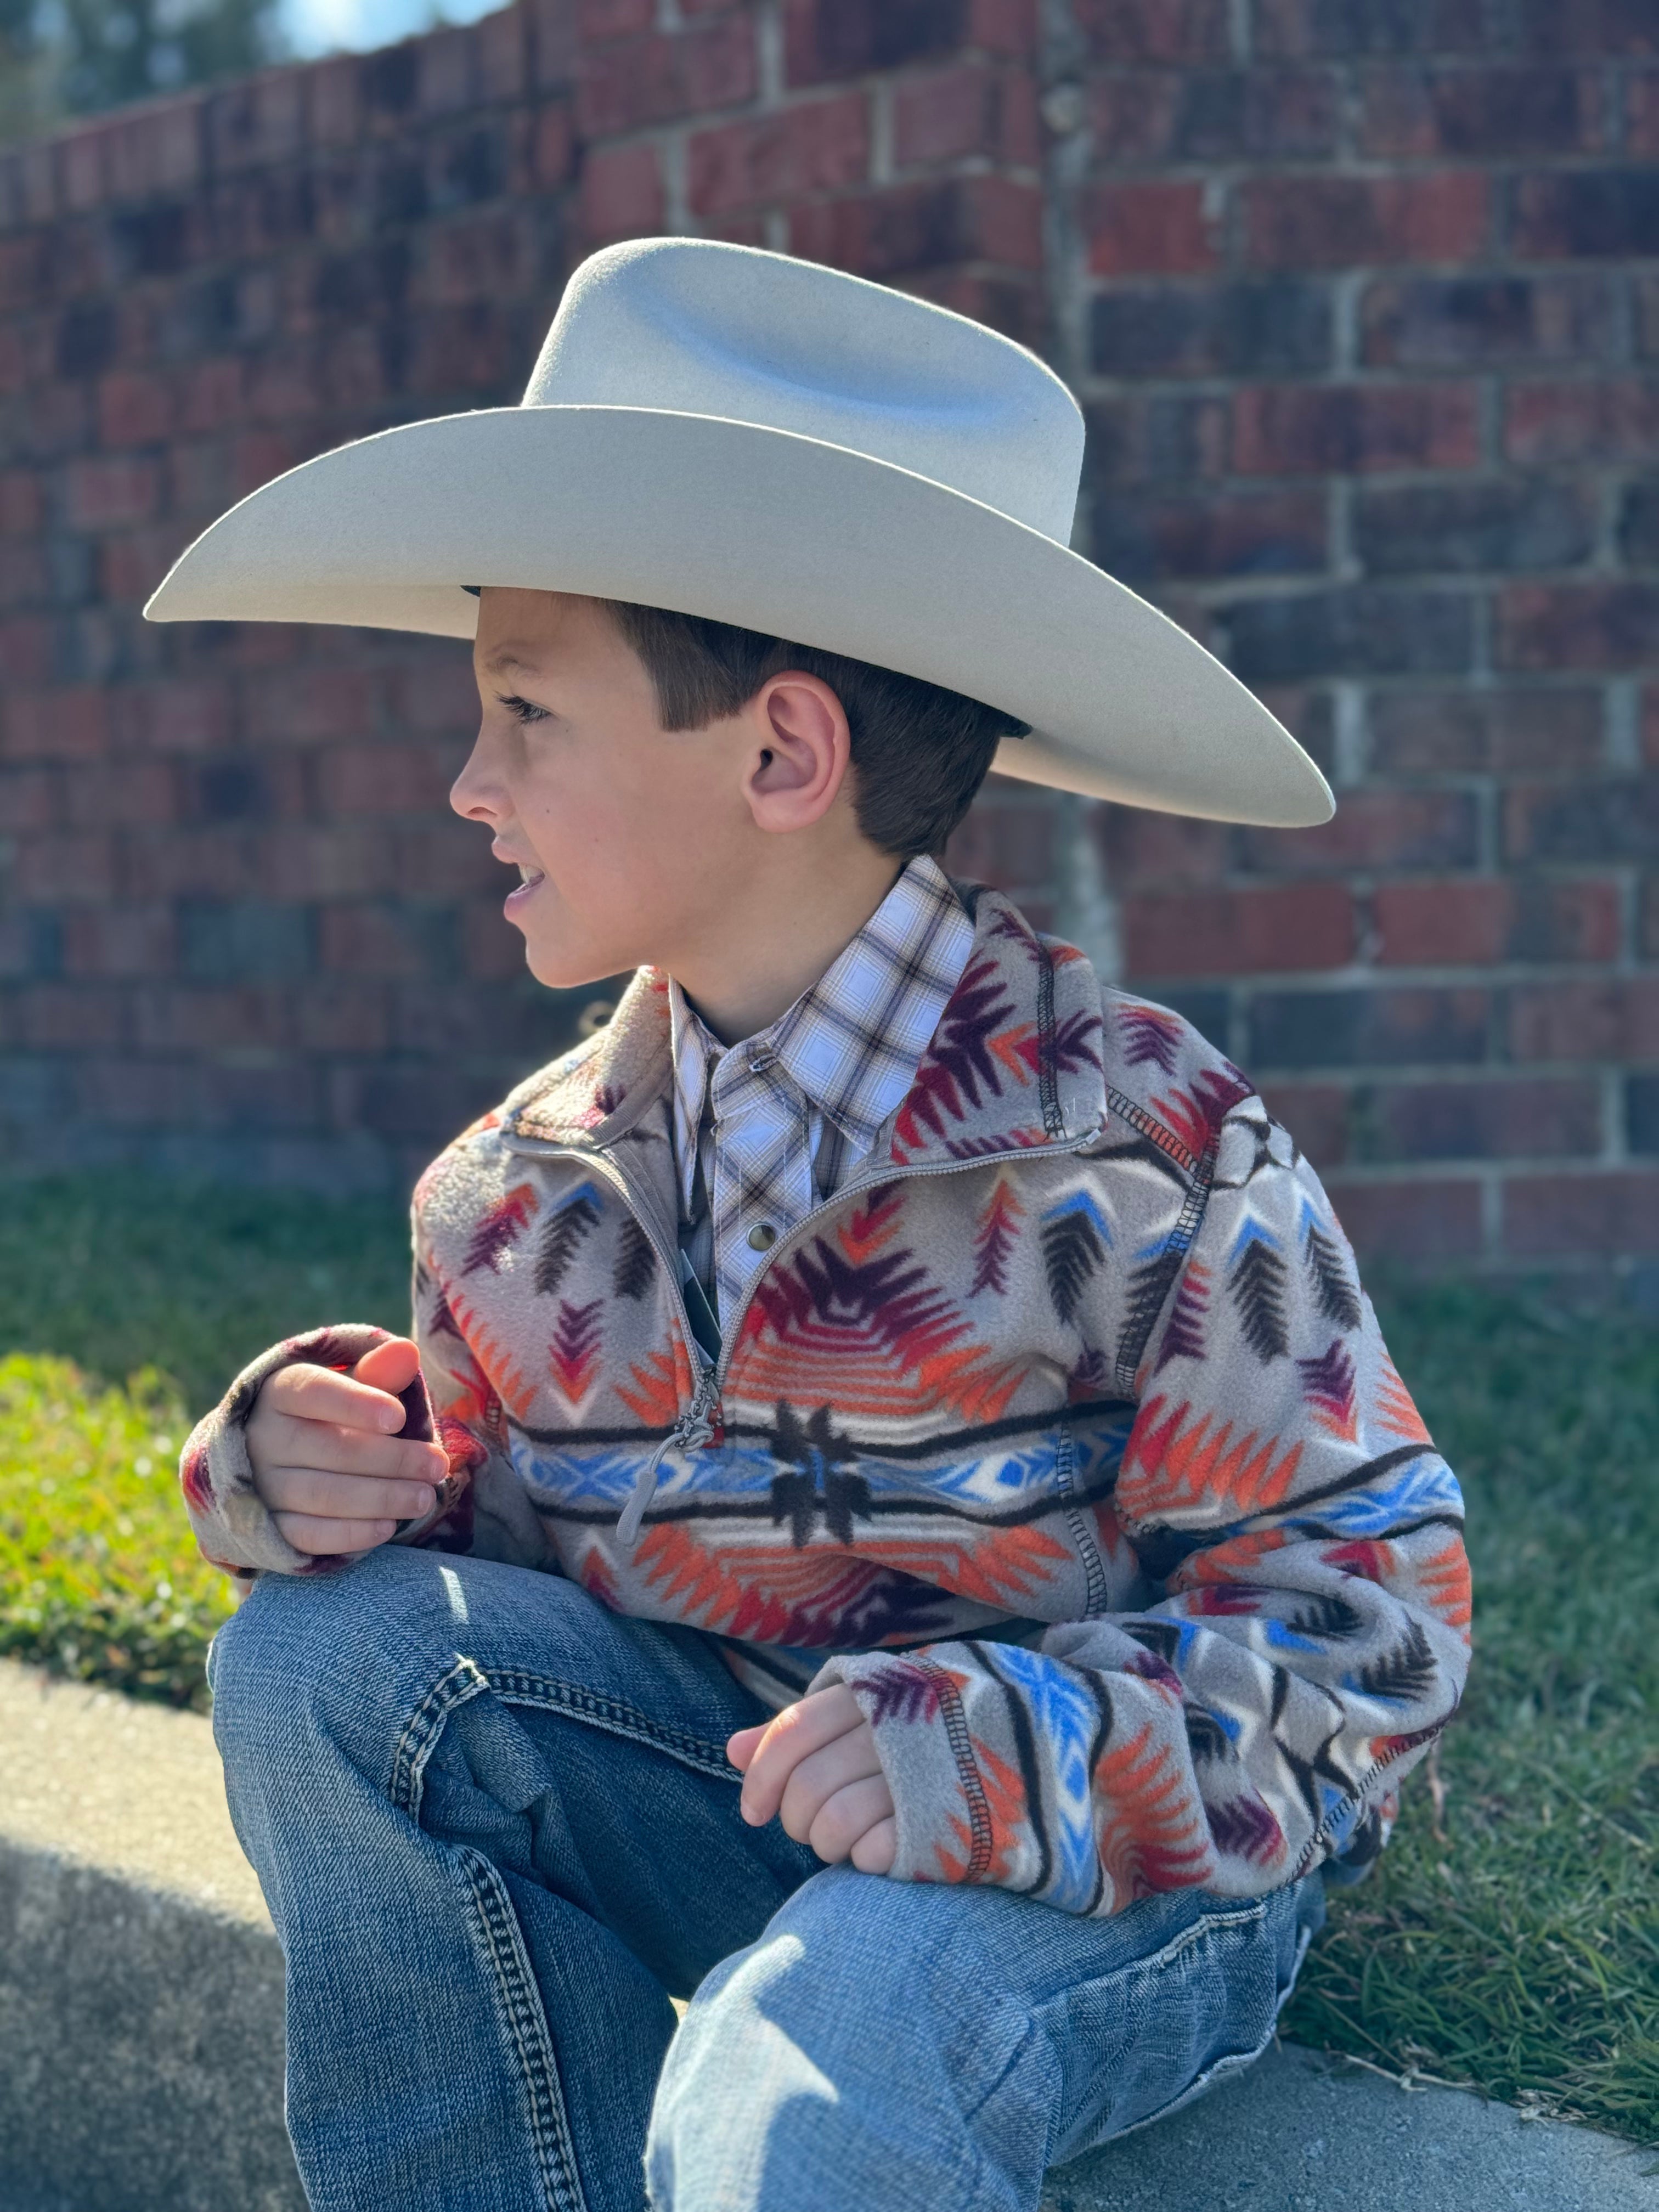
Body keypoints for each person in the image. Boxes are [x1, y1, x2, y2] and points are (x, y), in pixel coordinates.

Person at [152, 239, 1471, 2212]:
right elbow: (520, 1596)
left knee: (797, 2085)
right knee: (317, 1664)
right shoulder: (510, 1200)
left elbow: (1368, 1633)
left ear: (781, 753)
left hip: (1090, 1860)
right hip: (736, 1794)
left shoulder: (1136, 1150)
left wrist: (1000, 1751)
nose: (464, 782)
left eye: (524, 712)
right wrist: (338, 1486)